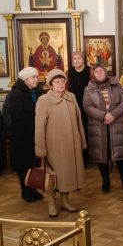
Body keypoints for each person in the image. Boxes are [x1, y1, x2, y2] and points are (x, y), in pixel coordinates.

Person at [35, 69, 86, 217]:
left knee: (68, 175)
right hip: (54, 146)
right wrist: (41, 148)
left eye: (62, 81)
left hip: (72, 144)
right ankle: (51, 202)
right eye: (56, 81)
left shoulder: (71, 97)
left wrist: (82, 140)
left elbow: (79, 120)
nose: (60, 84)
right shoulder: (44, 100)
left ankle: (64, 200)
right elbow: (39, 126)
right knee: (53, 176)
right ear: (50, 84)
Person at [83, 64, 123, 192]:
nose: (99, 72)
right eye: (96, 71)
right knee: (102, 154)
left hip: (116, 123)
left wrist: (113, 115)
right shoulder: (88, 89)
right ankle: (105, 180)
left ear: (105, 72)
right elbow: (87, 107)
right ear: (93, 74)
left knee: (120, 153)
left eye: (101, 70)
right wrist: (103, 115)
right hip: (98, 125)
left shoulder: (116, 85)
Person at [3, 67, 44, 203]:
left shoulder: (37, 91)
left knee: (33, 164)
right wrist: (36, 126)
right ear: (25, 79)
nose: (36, 79)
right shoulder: (16, 93)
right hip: (22, 135)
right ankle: (25, 191)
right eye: (33, 77)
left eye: (37, 77)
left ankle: (33, 188)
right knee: (24, 165)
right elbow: (19, 115)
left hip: (35, 133)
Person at [68, 51, 92, 163]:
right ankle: (77, 157)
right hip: (73, 104)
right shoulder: (69, 72)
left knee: (85, 129)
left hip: (86, 104)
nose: (77, 60)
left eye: (79, 58)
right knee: (75, 129)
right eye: (75, 59)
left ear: (83, 60)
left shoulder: (89, 71)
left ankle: (86, 158)